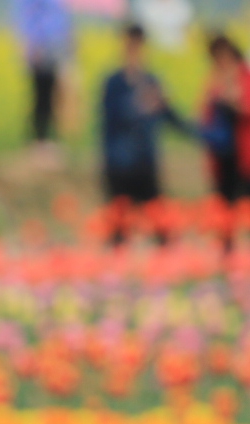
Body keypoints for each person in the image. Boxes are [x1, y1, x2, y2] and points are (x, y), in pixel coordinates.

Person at [101, 21, 190, 247]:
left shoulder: (151, 81)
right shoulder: (114, 83)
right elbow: (111, 117)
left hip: (145, 161)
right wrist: (140, 105)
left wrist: (202, 133)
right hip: (120, 163)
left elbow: (169, 115)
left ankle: (164, 266)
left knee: (159, 221)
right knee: (119, 224)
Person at [200, 31, 248, 251]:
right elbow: (204, 118)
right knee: (225, 211)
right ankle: (229, 255)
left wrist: (235, 103)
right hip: (222, 158)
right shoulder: (213, 81)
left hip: (245, 155)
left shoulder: (244, 76)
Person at [12, 0, 71, 162]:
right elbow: (26, 17)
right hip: (39, 48)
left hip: (54, 47)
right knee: (40, 95)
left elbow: (61, 20)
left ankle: (47, 139)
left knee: (52, 95)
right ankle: (38, 140)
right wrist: (32, 44)